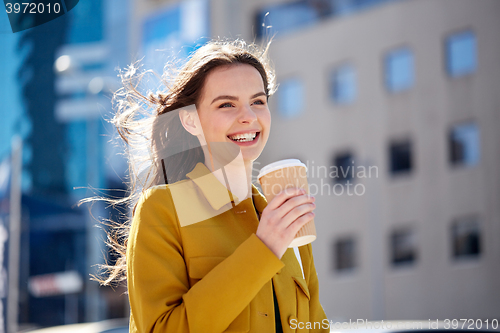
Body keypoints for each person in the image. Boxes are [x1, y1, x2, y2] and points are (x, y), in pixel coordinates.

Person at [105, 39, 329, 333]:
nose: (248, 116)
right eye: (226, 104)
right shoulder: (162, 210)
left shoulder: (284, 219)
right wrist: (264, 249)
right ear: (190, 121)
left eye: (258, 101)